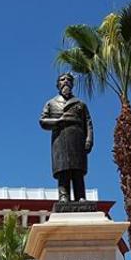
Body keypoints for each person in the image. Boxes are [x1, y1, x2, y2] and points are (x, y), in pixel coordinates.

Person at [39, 72, 94, 202]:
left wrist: (89, 140)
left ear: (72, 84)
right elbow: (42, 121)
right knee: (63, 170)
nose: (65, 82)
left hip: (77, 139)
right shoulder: (51, 103)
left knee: (77, 170)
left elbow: (88, 123)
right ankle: (64, 197)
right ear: (58, 85)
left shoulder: (80, 104)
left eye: (68, 80)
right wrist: (58, 122)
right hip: (60, 140)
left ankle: (80, 196)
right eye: (62, 80)